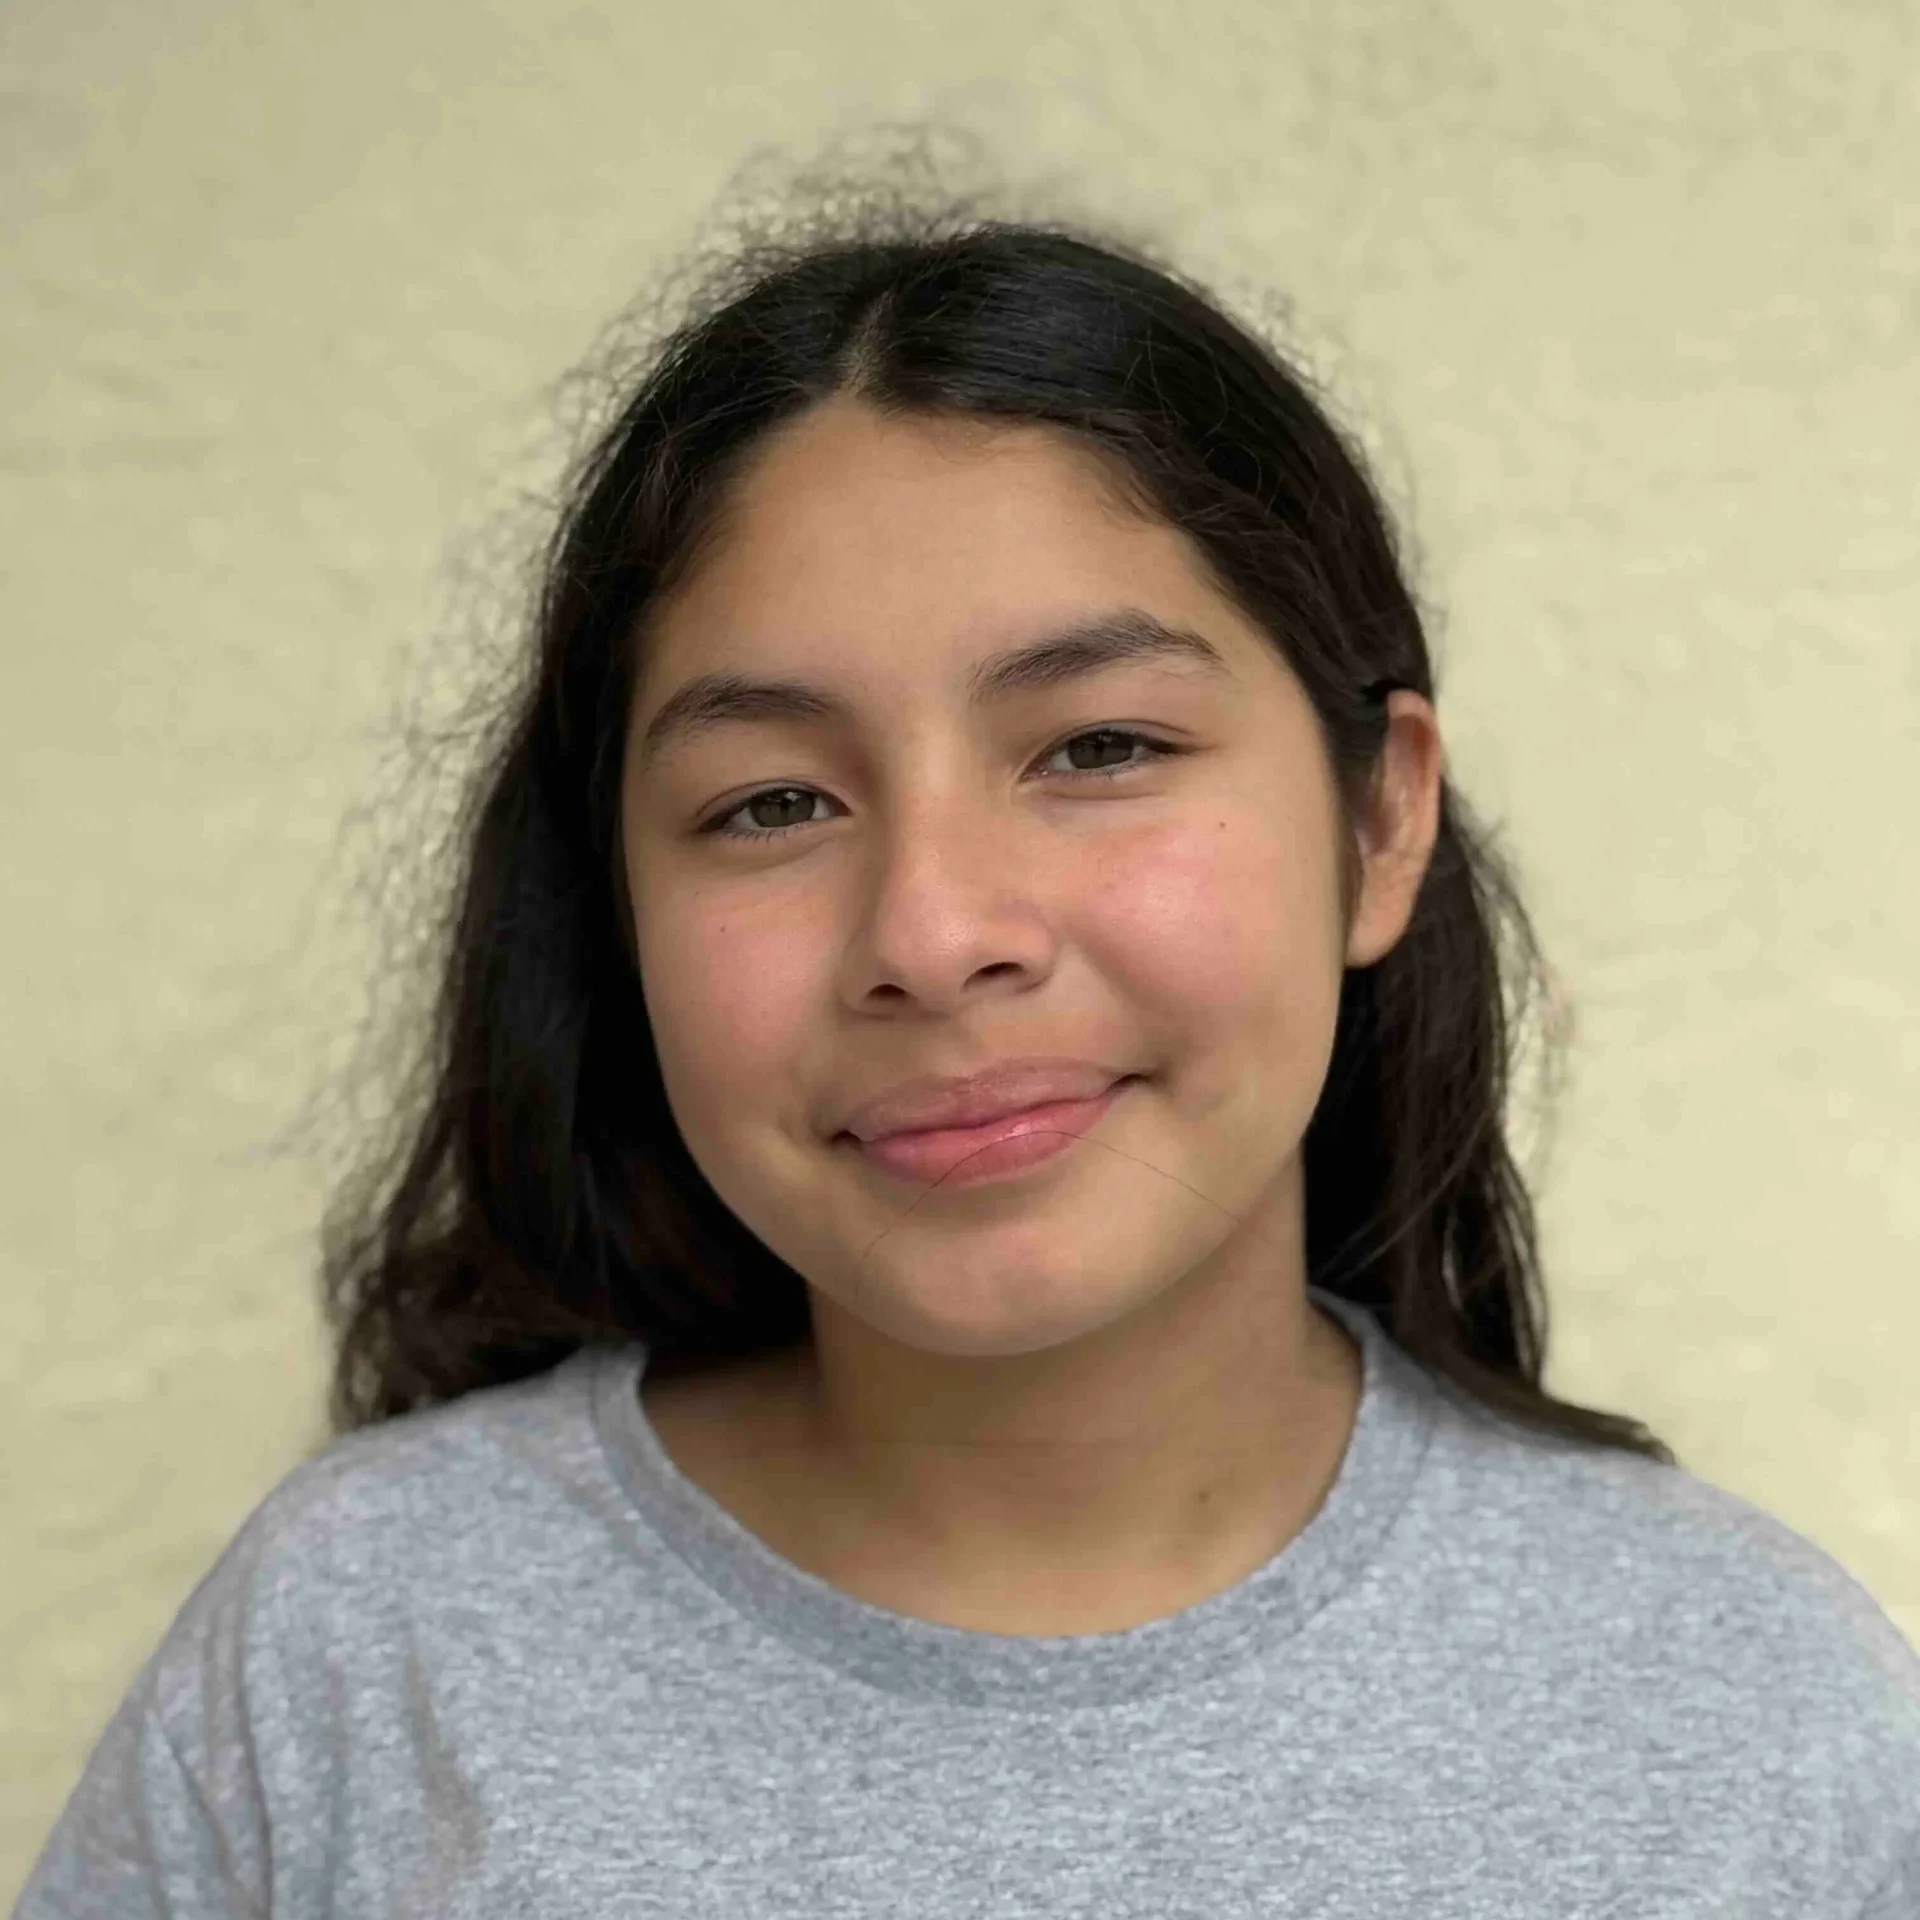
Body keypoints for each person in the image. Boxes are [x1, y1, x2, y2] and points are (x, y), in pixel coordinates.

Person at [15, 190, 1918, 1919]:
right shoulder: (357, 1643)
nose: (932, 933)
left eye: (1099, 747)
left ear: (1379, 819)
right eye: (768, 803)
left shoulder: (1750, 1704)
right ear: (614, 912)